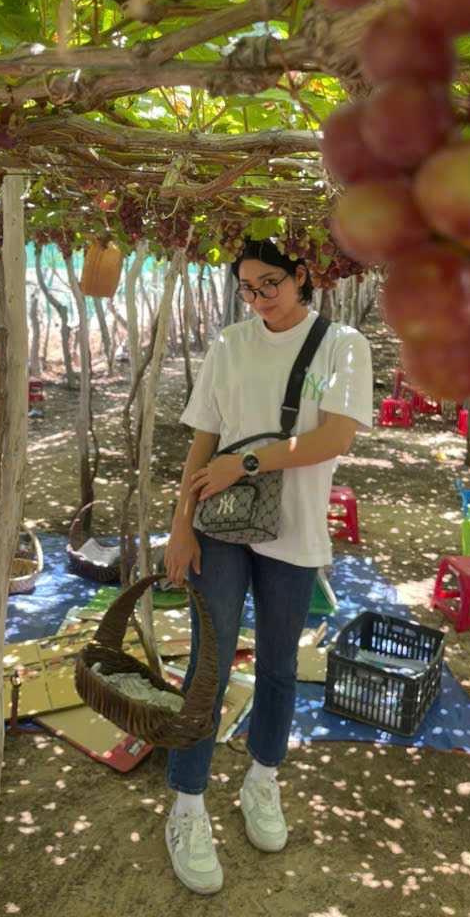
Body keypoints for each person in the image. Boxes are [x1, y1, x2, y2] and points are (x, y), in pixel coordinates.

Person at [163, 238, 373, 895]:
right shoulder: (230, 345)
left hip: (295, 529)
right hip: (219, 527)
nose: (259, 300)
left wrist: (245, 463)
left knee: (279, 666)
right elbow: (204, 436)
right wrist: (179, 525)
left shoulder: (343, 346)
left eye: (270, 284)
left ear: (302, 277)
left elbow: (334, 438)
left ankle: (262, 780)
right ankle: (188, 804)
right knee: (210, 661)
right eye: (247, 289)